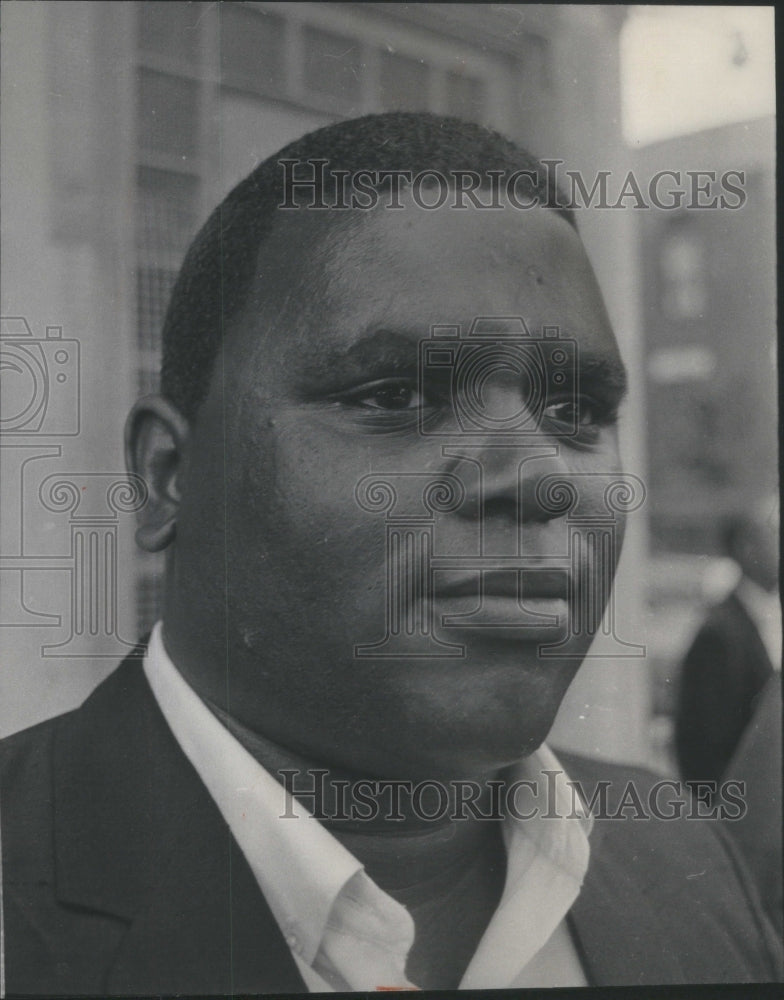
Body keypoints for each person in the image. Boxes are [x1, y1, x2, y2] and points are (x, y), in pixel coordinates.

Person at [1, 113, 780, 994]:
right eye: (394, 394)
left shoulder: (684, 858)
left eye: (575, 413)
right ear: (169, 475)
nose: (539, 476)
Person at [675, 506, 781, 795]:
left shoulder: (760, 617)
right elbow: (703, 746)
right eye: (774, 537)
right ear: (747, 549)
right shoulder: (720, 633)